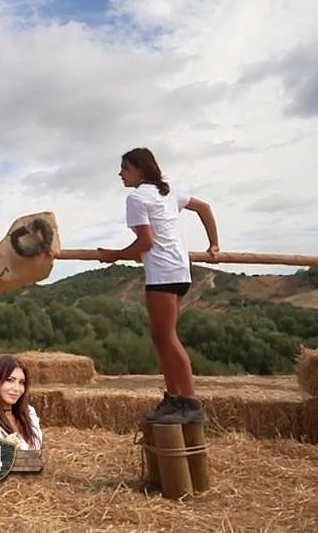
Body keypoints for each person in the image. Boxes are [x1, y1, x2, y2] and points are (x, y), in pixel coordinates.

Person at [98, 147, 220, 425]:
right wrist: (214, 243)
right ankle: (175, 398)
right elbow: (204, 208)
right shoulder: (167, 192)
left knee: (166, 338)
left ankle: (189, 402)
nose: (120, 174)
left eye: (124, 168)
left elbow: (146, 244)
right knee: (163, 337)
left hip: (163, 273)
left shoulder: (137, 198)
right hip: (179, 271)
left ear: (139, 169)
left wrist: (113, 256)